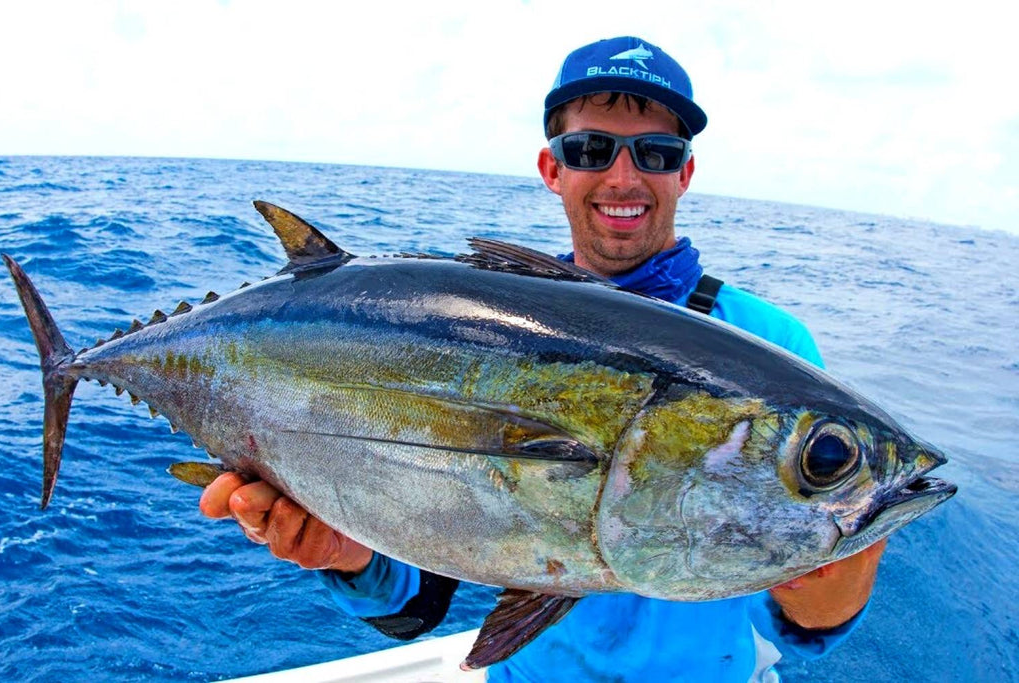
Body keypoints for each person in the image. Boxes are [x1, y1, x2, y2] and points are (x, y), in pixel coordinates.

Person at [201, 36, 887, 681]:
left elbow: (802, 627)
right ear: (552, 168)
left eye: (654, 152)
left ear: (685, 171)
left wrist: (844, 550)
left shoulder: (771, 348)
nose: (624, 177)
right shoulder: (477, 323)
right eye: (592, 148)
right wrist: (345, 556)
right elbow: (419, 603)